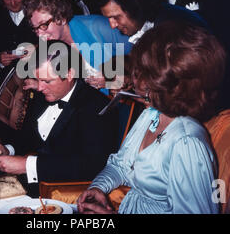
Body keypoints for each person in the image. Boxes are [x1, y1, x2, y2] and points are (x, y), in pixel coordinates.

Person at [78, 21, 226, 214]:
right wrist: (98, 187)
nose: (135, 78)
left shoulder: (187, 142)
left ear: (163, 81)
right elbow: (120, 165)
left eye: (141, 72)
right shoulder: (151, 114)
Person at [0, 40, 119, 197]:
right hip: (32, 190)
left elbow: (91, 166)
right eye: (38, 80)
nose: (40, 87)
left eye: (47, 81)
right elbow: (28, 136)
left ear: (69, 74)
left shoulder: (97, 106)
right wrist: (7, 149)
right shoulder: (44, 95)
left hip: (69, 197)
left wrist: (27, 165)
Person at [23, 0, 131, 92]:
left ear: (61, 18)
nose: (39, 34)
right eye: (35, 28)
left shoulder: (97, 26)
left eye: (43, 25)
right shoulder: (52, 47)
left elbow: (140, 55)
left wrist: (111, 77)